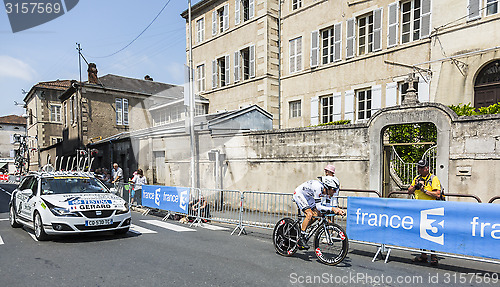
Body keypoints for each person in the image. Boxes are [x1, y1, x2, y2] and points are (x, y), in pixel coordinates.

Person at [292, 175, 346, 249]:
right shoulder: (318, 187)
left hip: (308, 196)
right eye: (334, 190)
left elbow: (327, 207)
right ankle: (301, 237)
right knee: (309, 214)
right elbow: (319, 207)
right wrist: (333, 209)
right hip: (299, 194)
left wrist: (337, 210)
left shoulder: (328, 193)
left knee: (317, 214)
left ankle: (302, 228)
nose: (335, 192)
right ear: (328, 187)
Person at [408, 159, 442, 266]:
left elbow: (437, 194)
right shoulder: (417, 178)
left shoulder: (433, 178)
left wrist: (424, 190)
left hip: (431, 209)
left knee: (431, 233)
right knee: (421, 232)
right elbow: (409, 191)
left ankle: (433, 255)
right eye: (418, 167)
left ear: (427, 168)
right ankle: (423, 255)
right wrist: (415, 186)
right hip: (419, 208)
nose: (420, 169)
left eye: (422, 167)